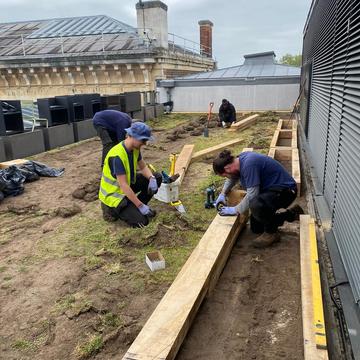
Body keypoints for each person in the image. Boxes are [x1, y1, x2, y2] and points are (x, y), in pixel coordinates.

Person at [213, 150, 304, 248]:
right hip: (271, 191)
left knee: (255, 204)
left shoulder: (249, 165)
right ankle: (291, 214)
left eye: (225, 175)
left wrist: (235, 210)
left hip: (286, 191)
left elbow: (252, 194)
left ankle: (271, 233)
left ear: (227, 167)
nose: (227, 177)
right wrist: (222, 194)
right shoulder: (238, 161)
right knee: (256, 228)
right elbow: (232, 178)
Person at [98, 122, 162, 228]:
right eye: (143, 140)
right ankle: (110, 211)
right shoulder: (117, 156)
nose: (145, 143)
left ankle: (135, 207)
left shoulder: (134, 149)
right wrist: (140, 206)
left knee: (157, 177)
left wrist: (152, 178)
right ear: (133, 137)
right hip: (114, 195)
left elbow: (143, 167)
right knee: (142, 222)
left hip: (125, 186)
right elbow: (124, 186)